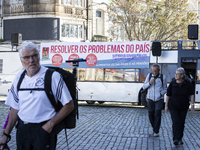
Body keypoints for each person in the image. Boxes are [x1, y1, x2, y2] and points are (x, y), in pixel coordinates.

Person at [0, 41, 74, 150]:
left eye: (34, 56)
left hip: (44, 131)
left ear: (39, 57)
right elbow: (15, 108)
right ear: (21, 60)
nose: (31, 61)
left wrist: (50, 125)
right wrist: (5, 136)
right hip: (23, 131)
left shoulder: (52, 76)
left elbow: (69, 105)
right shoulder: (19, 77)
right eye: (26, 57)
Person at [165, 67, 195, 145]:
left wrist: (192, 105)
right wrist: (166, 105)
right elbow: (168, 95)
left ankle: (180, 138)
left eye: (177, 74)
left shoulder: (187, 84)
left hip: (183, 107)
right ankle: (175, 138)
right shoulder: (172, 83)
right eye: (175, 74)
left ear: (182, 75)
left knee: (181, 122)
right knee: (175, 122)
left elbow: (192, 94)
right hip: (173, 106)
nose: (175, 75)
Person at [143, 64, 167, 137]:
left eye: (156, 71)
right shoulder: (149, 76)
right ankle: (154, 127)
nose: (155, 72)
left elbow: (165, 88)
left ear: (159, 70)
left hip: (159, 99)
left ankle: (156, 131)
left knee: (157, 113)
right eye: (153, 71)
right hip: (150, 98)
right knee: (150, 114)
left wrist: (160, 94)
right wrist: (149, 83)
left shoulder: (163, 77)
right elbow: (144, 86)